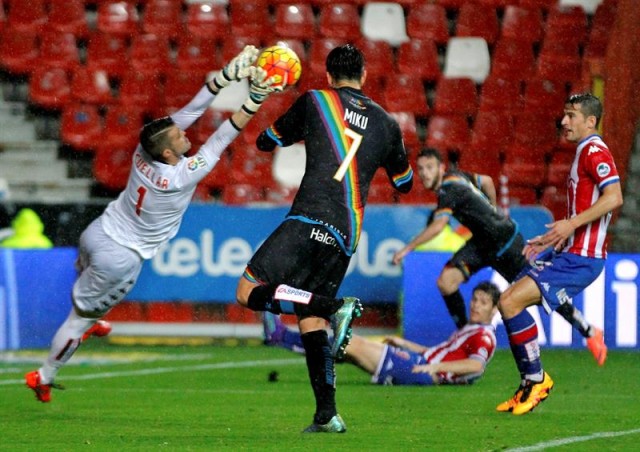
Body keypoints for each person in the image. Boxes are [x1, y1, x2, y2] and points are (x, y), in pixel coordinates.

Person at [25, 45, 282, 403]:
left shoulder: (142, 150)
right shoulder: (179, 176)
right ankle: (44, 375)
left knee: (88, 285)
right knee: (77, 320)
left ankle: (93, 311)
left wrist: (225, 76)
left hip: (98, 230)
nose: (183, 134)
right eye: (178, 137)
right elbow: (221, 139)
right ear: (168, 153)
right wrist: (254, 101)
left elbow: (187, 113)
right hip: (122, 257)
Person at [235, 44, 413, 433]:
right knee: (309, 319)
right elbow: (405, 183)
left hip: (309, 215)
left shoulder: (316, 101)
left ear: (329, 76)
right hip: (347, 231)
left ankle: (335, 307)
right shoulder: (387, 123)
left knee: (248, 291)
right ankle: (326, 414)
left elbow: (266, 141)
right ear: (364, 76)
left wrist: (274, 111)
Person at [391, 148, 606, 365]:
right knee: (446, 282)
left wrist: (407, 249)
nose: (425, 173)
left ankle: (588, 330)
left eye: (429, 167)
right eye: (421, 169)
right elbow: (487, 182)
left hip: (506, 243)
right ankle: (469, 337)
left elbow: (439, 225)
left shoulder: (449, 190)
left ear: (441, 168)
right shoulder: (459, 176)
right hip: (483, 243)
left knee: (540, 291)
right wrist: (492, 208)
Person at [495, 93, 623, 416]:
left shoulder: (594, 150)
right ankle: (532, 381)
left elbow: (615, 196)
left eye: (572, 115)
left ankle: (535, 380)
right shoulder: (583, 152)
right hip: (569, 253)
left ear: (590, 121)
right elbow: (577, 216)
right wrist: (551, 241)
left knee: (511, 301)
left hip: (583, 258)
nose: (564, 122)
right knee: (510, 298)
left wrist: (571, 225)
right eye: (564, 115)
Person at [264, 281, 501, 386]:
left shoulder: (484, 337)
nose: (475, 305)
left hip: (423, 372)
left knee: (349, 345)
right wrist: (404, 343)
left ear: (494, 309)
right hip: (421, 363)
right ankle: (284, 338)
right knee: (344, 347)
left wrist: (434, 369)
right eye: (475, 299)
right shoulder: (473, 328)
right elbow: (439, 355)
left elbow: (475, 366)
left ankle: (282, 337)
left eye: (483, 302)